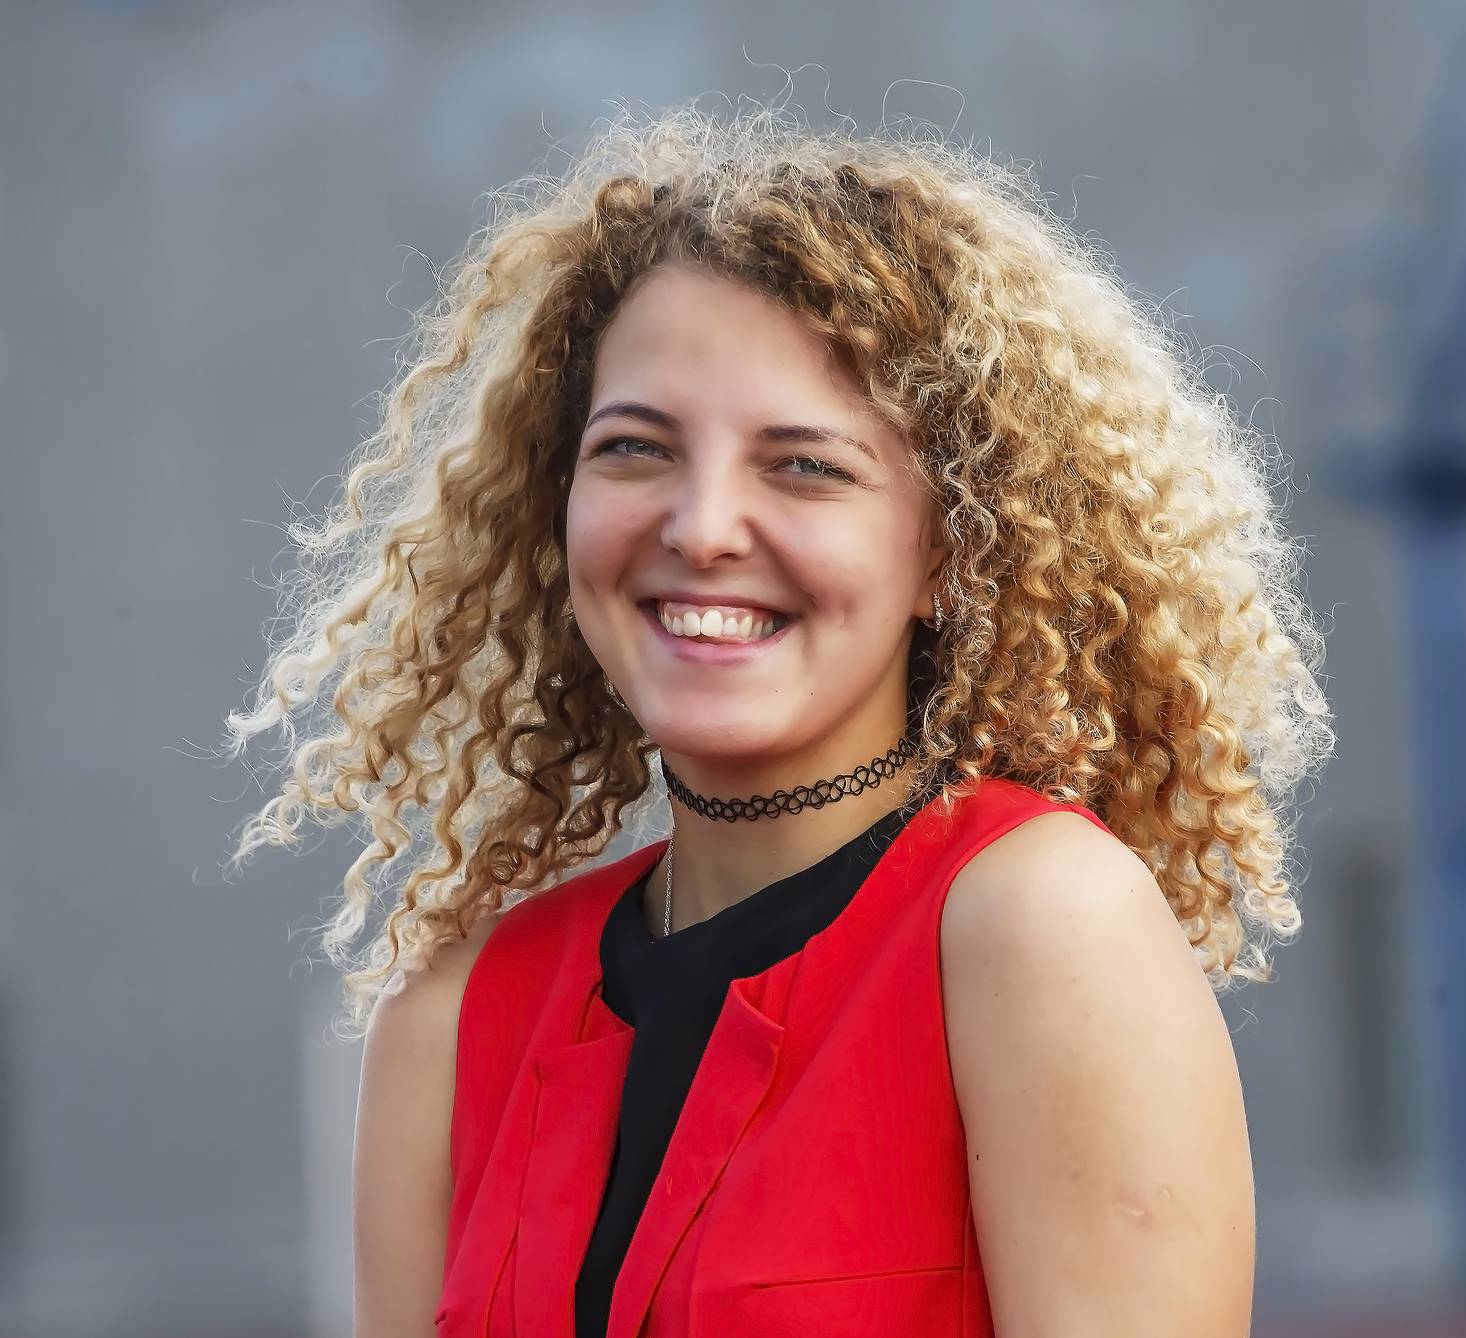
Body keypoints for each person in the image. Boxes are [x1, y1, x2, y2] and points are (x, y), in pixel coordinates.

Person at [219, 100, 1334, 1337]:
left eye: (805, 465)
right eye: (636, 449)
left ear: (950, 552)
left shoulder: (1043, 924)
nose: (701, 527)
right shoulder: (449, 1020)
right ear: (555, 504)